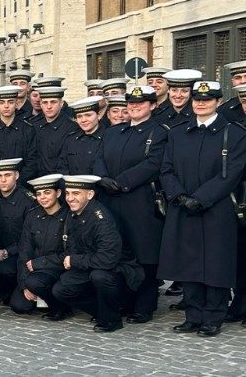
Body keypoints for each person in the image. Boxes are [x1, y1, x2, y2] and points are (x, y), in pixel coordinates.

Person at [159, 81, 246, 337]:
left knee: (216, 264)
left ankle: (213, 317)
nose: (200, 103)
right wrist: (179, 196)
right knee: (188, 263)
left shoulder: (234, 133)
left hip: (216, 209)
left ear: (218, 102)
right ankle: (193, 315)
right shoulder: (177, 133)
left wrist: (201, 198)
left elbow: (231, 174)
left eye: (207, 99)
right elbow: (166, 169)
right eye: (197, 98)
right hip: (182, 207)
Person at [93, 85, 168, 324]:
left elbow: (154, 164)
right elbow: (100, 157)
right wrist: (103, 178)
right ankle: (123, 301)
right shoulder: (115, 132)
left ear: (153, 106)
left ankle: (144, 306)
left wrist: (121, 182)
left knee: (144, 255)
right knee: (118, 253)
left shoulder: (159, 132)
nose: (134, 107)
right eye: (131, 103)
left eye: (141, 103)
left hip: (140, 202)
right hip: (110, 199)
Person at [51, 175, 143, 333]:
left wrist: (74, 261)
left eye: (76, 193)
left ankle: (112, 320)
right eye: (68, 193)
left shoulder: (101, 220)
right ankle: (102, 311)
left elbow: (108, 259)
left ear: (90, 195)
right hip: (91, 265)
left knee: (100, 277)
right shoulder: (74, 213)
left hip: (119, 270)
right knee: (61, 290)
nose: (70, 198)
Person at [10, 174, 68, 319]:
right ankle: (40, 294)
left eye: (47, 192)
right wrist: (24, 285)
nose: (42, 197)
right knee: (20, 306)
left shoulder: (69, 217)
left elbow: (70, 253)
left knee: (36, 283)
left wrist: (38, 264)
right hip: (33, 272)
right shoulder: (32, 216)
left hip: (58, 270)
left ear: (58, 193)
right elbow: (25, 251)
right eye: (39, 194)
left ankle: (60, 307)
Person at [0, 158, 35, 303]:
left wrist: (7, 252)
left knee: (5, 269)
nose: (3, 180)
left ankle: (10, 292)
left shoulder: (28, 200)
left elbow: (30, 238)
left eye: (8, 175)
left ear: (17, 175)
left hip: (19, 253)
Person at [0, 86, 41, 183]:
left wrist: (16, 182)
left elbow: (32, 162)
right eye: (2, 102)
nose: (6, 106)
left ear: (16, 104)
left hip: (22, 185)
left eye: (10, 102)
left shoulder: (28, 129)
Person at [57, 96, 106, 175]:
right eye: (79, 116)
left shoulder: (108, 138)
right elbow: (62, 168)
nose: (83, 120)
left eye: (88, 115)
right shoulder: (71, 140)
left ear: (99, 115)